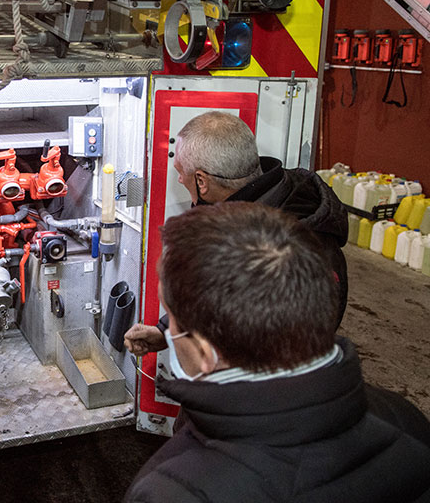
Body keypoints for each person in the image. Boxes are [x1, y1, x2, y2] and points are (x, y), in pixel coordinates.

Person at [123, 202, 430, 503]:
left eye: (172, 322)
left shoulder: (171, 490)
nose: (169, 332)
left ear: (205, 353)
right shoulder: (407, 419)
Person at [125, 111, 348, 354]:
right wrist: (168, 332)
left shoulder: (300, 247)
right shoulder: (243, 210)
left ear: (202, 182)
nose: (179, 179)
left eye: (181, 172)